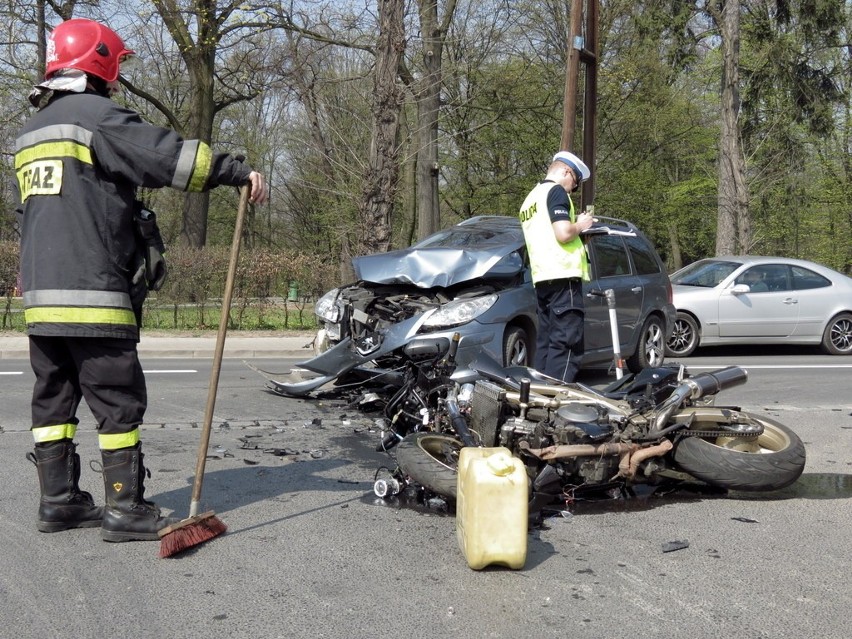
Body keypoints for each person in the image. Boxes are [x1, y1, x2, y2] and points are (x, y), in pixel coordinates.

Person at [14, 18, 269, 542]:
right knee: (116, 397)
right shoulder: (97, 118)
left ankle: (58, 502)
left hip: (42, 300)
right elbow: (169, 157)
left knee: (53, 398)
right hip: (93, 293)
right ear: (101, 62)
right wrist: (234, 170)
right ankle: (125, 509)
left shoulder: (30, 134)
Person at [519, 151, 594, 382]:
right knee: (567, 346)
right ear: (565, 171)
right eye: (575, 181)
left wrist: (579, 238)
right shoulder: (556, 191)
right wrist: (581, 225)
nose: (573, 189)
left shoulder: (530, 199)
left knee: (547, 345)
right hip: (563, 277)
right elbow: (562, 234)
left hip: (542, 279)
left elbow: (546, 238)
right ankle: (556, 404)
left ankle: (537, 400)